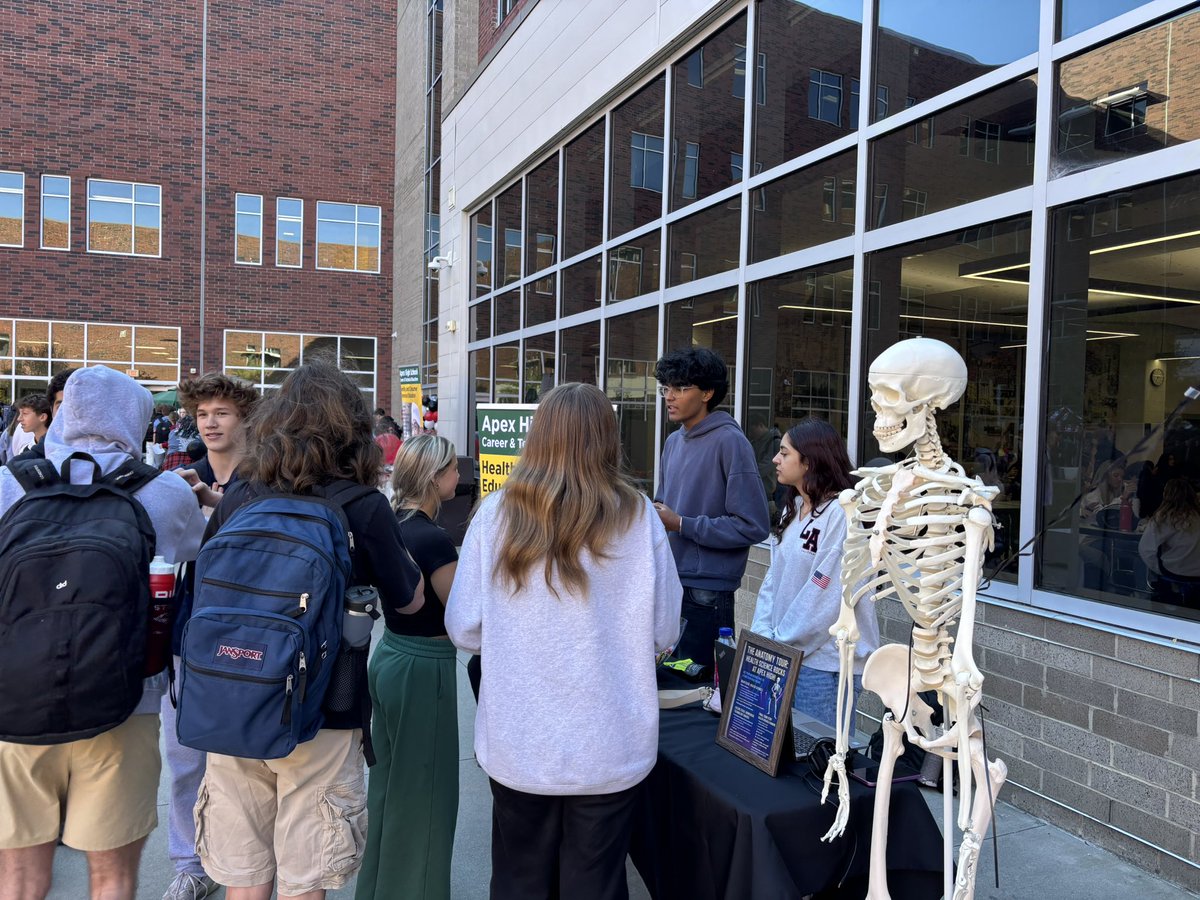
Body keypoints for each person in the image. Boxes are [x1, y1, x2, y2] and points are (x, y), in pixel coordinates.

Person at [192, 361, 423, 900]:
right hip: (325, 705)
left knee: (243, 877)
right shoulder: (362, 505)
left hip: (232, 698)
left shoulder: (243, 491)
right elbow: (409, 603)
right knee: (306, 878)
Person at [446, 382, 682, 900]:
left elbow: (464, 627)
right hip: (610, 743)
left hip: (520, 741)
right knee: (595, 882)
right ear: (608, 439)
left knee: (519, 876)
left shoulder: (496, 514)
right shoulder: (640, 517)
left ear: (538, 436)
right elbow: (665, 630)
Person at [0, 366, 205, 900]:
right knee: (111, 877)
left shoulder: (9, 480)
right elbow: (192, 553)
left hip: (14, 701)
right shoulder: (163, 491)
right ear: (134, 417)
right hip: (125, 703)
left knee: (17, 878)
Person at [159, 373, 258, 900]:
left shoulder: (266, 478)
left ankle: (239, 860)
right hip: (189, 631)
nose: (211, 422)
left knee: (242, 760)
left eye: (221, 412)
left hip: (250, 636)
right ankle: (190, 863)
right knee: (184, 757)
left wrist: (215, 506)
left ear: (244, 419)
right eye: (202, 414)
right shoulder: (178, 480)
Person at [357, 435, 461, 900]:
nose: (460, 476)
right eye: (453, 469)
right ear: (436, 478)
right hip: (424, 666)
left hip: (390, 655)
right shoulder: (433, 538)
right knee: (427, 798)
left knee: (389, 789)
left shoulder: (390, 525)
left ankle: (379, 888)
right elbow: (464, 617)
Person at [750, 417, 880, 727]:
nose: (774, 459)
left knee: (816, 758)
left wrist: (782, 642)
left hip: (823, 663)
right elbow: (774, 580)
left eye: (784, 453)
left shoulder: (843, 514)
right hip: (784, 653)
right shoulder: (792, 508)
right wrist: (764, 635)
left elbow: (827, 593)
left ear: (808, 461)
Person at [652, 348, 770, 669]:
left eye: (680, 388)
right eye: (666, 388)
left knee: (701, 689)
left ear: (707, 392)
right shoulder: (673, 442)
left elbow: (753, 525)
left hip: (708, 591)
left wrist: (682, 524)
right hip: (671, 581)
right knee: (670, 684)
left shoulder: (730, 442)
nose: (670, 396)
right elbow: (665, 510)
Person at [1139, 477, 1200, 603]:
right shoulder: (1197, 516)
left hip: (1173, 572)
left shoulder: (1164, 518)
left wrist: (1159, 569)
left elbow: (1145, 549)